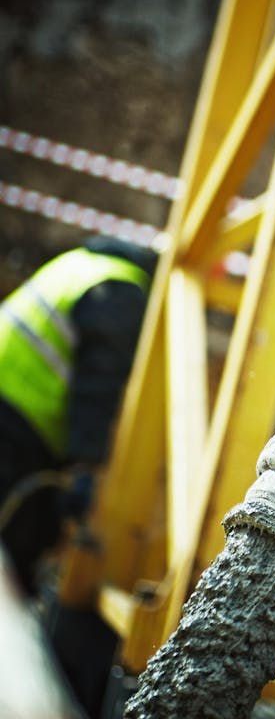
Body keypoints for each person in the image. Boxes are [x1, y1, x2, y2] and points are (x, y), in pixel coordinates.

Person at [0, 235, 156, 598]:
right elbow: (97, 390)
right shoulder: (121, 291)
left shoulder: (81, 263)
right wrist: (84, 467)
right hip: (18, 420)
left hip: (13, 405)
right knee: (19, 539)